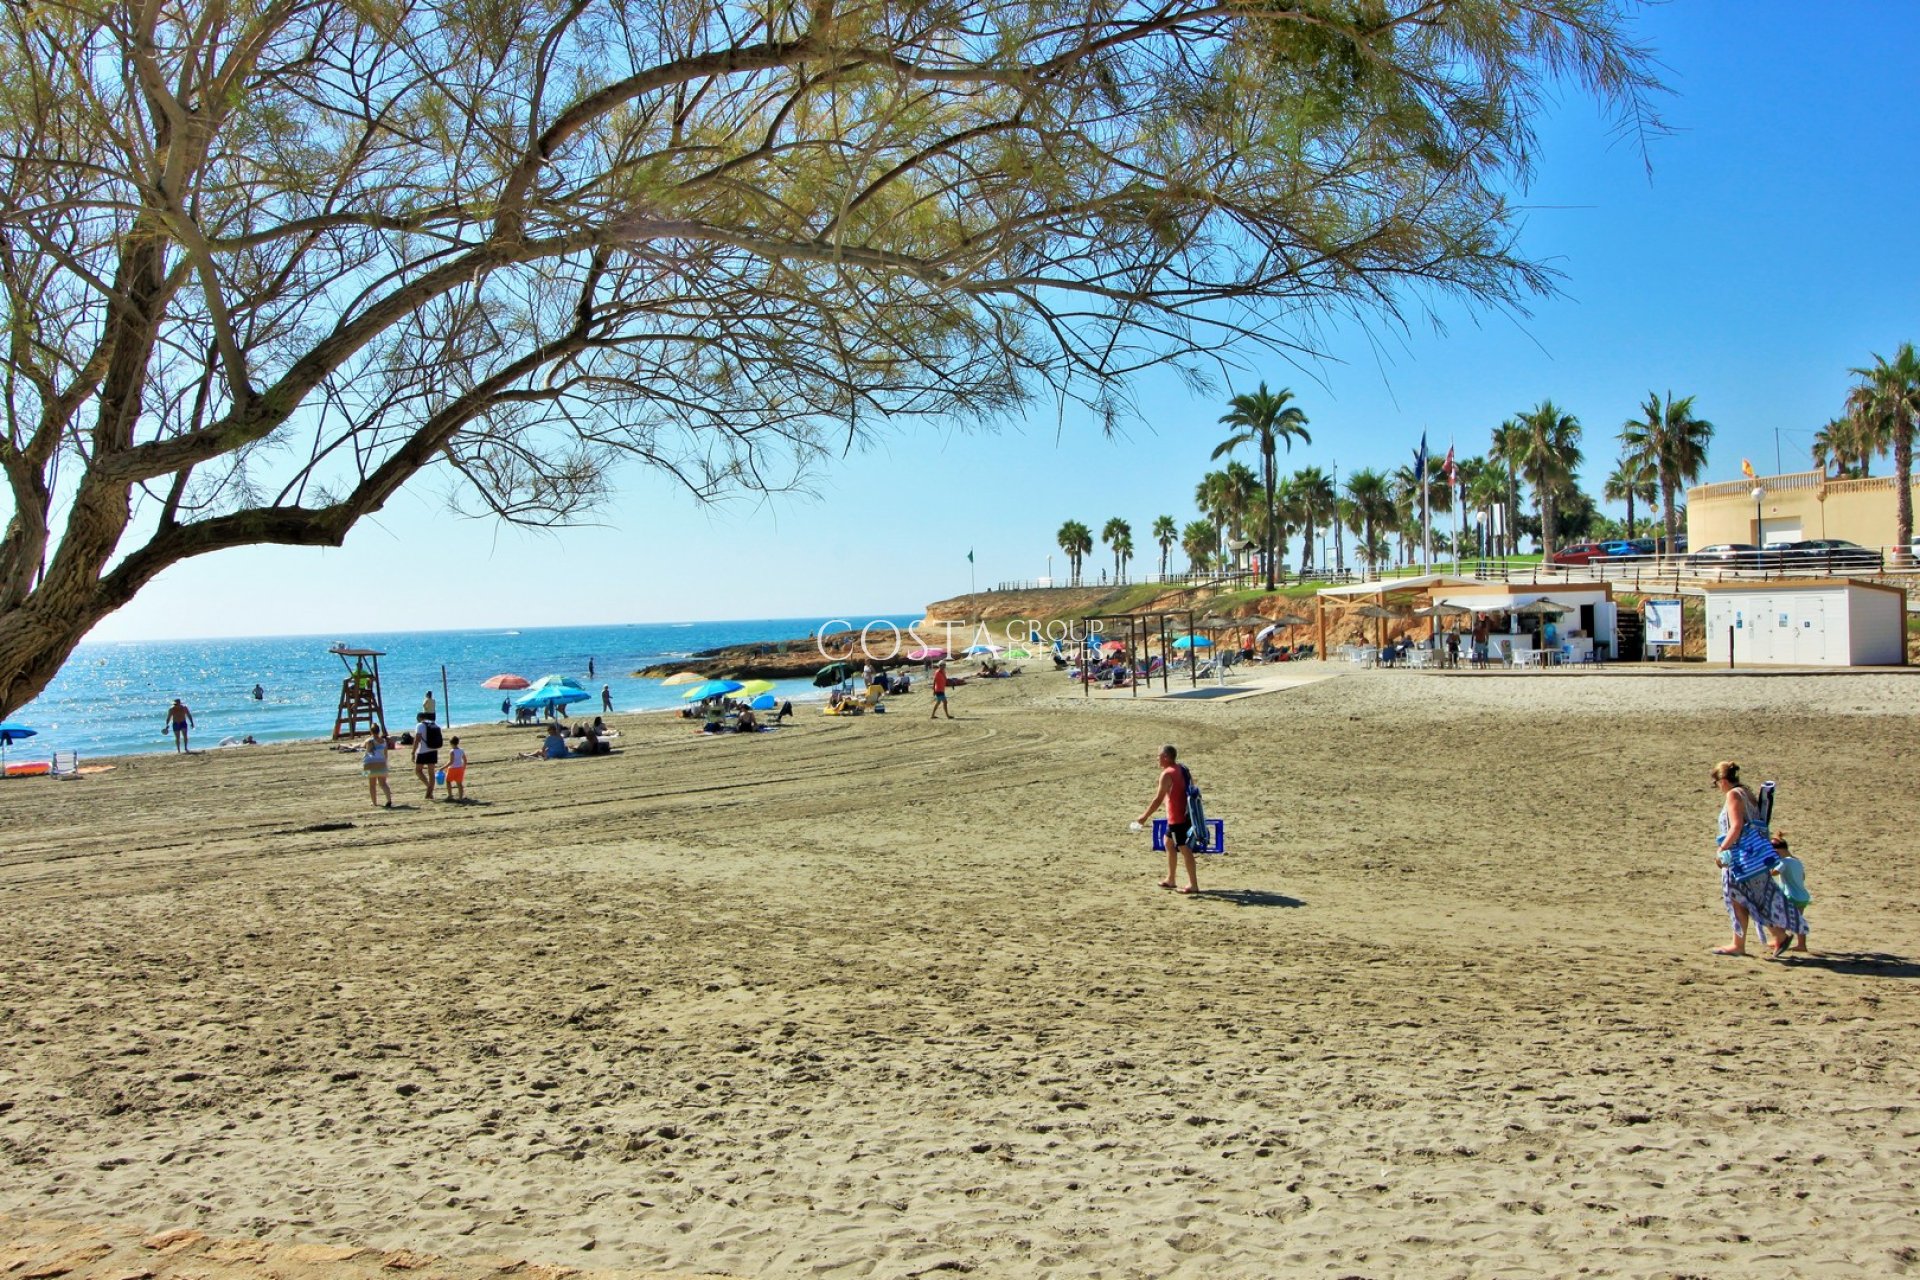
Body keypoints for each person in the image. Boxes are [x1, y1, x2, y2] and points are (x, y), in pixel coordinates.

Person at [1708, 760, 1805, 958]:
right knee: (1750, 898)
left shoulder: (1734, 795)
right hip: (1754, 857)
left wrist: (1721, 848)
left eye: (1716, 783)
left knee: (1738, 897)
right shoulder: (1747, 793)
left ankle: (1741, 944)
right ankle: (1776, 936)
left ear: (1723, 780)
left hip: (1741, 858)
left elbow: (1735, 827)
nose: (1717, 787)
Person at [1138, 744, 1199, 895]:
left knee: (1185, 849)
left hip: (1177, 818)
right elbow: (1192, 786)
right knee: (1168, 842)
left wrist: (1144, 816)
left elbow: (1158, 799)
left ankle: (1193, 884)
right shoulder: (1183, 768)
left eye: (1158, 756)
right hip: (1185, 814)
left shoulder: (1167, 774)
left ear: (1165, 757)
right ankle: (1171, 879)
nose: (1157, 759)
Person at [362, 726, 393, 808]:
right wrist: (385, 763)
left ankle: (374, 802)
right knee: (383, 783)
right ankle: (389, 800)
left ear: (371, 731)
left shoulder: (368, 740)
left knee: (372, 785)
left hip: (369, 763)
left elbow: (365, 749)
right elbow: (385, 754)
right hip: (381, 762)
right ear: (379, 731)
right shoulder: (384, 741)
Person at [413, 711, 440, 800]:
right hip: (433, 750)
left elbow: (417, 739)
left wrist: (413, 752)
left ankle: (429, 787)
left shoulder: (419, 725)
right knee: (431, 773)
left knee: (418, 771)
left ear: (419, 718)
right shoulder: (433, 723)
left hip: (423, 751)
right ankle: (429, 792)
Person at [443, 736, 468, 802]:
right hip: (460, 768)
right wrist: (464, 767)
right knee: (459, 784)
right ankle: (460, 798)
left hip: (452, 769)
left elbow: (451, 762)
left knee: (448, 781)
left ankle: (450, 795)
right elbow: (465, 760)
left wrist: (443, 767)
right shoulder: (461, 750)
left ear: (451, 743)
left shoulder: (452, 751)